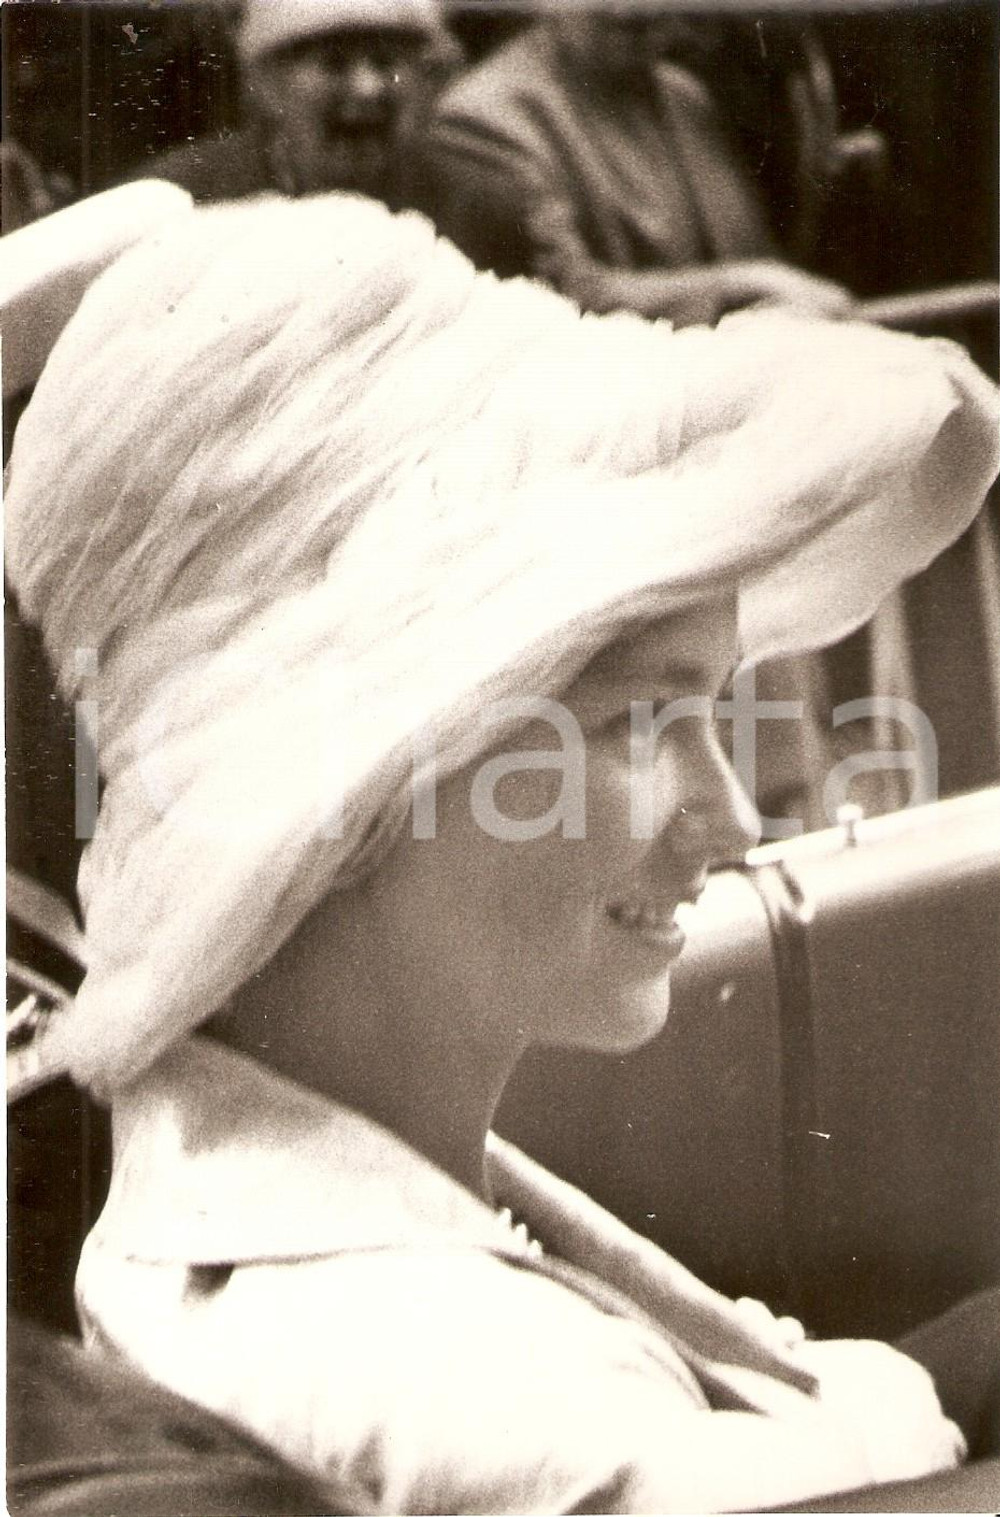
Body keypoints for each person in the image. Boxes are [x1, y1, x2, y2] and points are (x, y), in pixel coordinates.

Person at [5, 188, 1000, 1514]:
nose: (734, 817)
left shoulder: (243, 1186)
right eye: (643, 718)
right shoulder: (499, 1410)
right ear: (349, 790)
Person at [417, 3, 854, 324]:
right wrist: (750, 283)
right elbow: (561, 298)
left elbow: (759, 260)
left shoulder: (684, 96)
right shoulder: (482, 119)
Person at [140, 0, 447, 206]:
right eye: (334, 64)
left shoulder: (477, 210)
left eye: (385, 62)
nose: (367, 88)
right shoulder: (180, 197)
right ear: (268, 84)